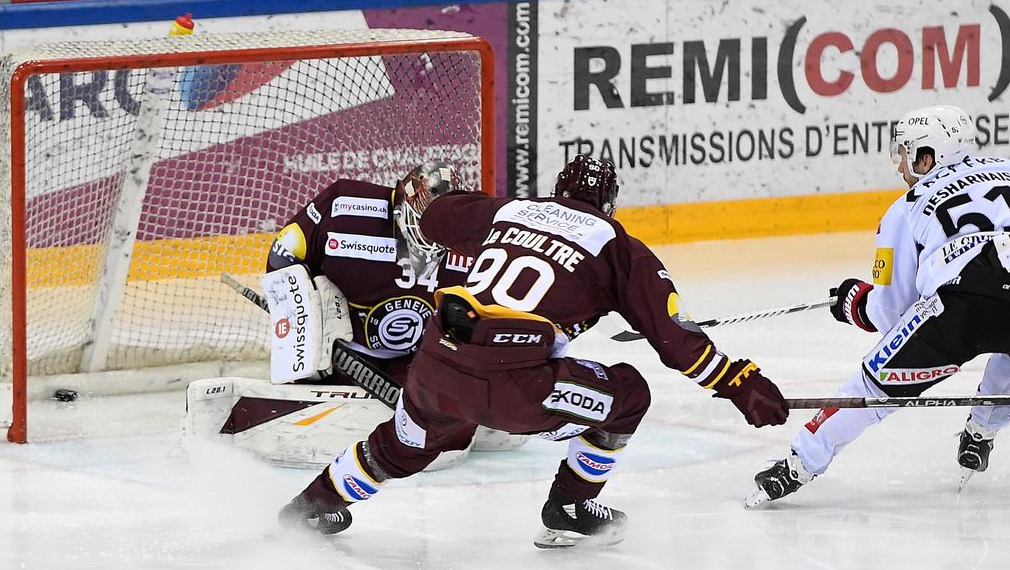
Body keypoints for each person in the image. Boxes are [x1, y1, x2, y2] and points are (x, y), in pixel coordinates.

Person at [279, 154, 790, 546]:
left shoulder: (512, 211)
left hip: (434, 365)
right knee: (629, 394)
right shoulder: (617, 247)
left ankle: (313, 503)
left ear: (556, 193)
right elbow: (679, 344)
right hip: (518, 389)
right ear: (610, 208)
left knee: (407, 442)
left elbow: (433, 215)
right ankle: (569, 507)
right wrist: (740, 383)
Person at [746, 105, 1010, 506]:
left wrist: (855, 303)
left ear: (928, 157)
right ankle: (983, 431)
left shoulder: (907, 206)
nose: (901, 165)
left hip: (962, 311)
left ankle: (799, 464)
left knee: (870, 388)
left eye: (906, 153)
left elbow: (891, 311)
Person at [263, 161, 468, 389]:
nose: (431, 236)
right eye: (423, 223)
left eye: (442, 228)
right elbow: (283, 255)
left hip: (421, 361)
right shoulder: (345, 206)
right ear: (402, 204)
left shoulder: (474, 237)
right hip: (342, 355)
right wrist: (303, 331)